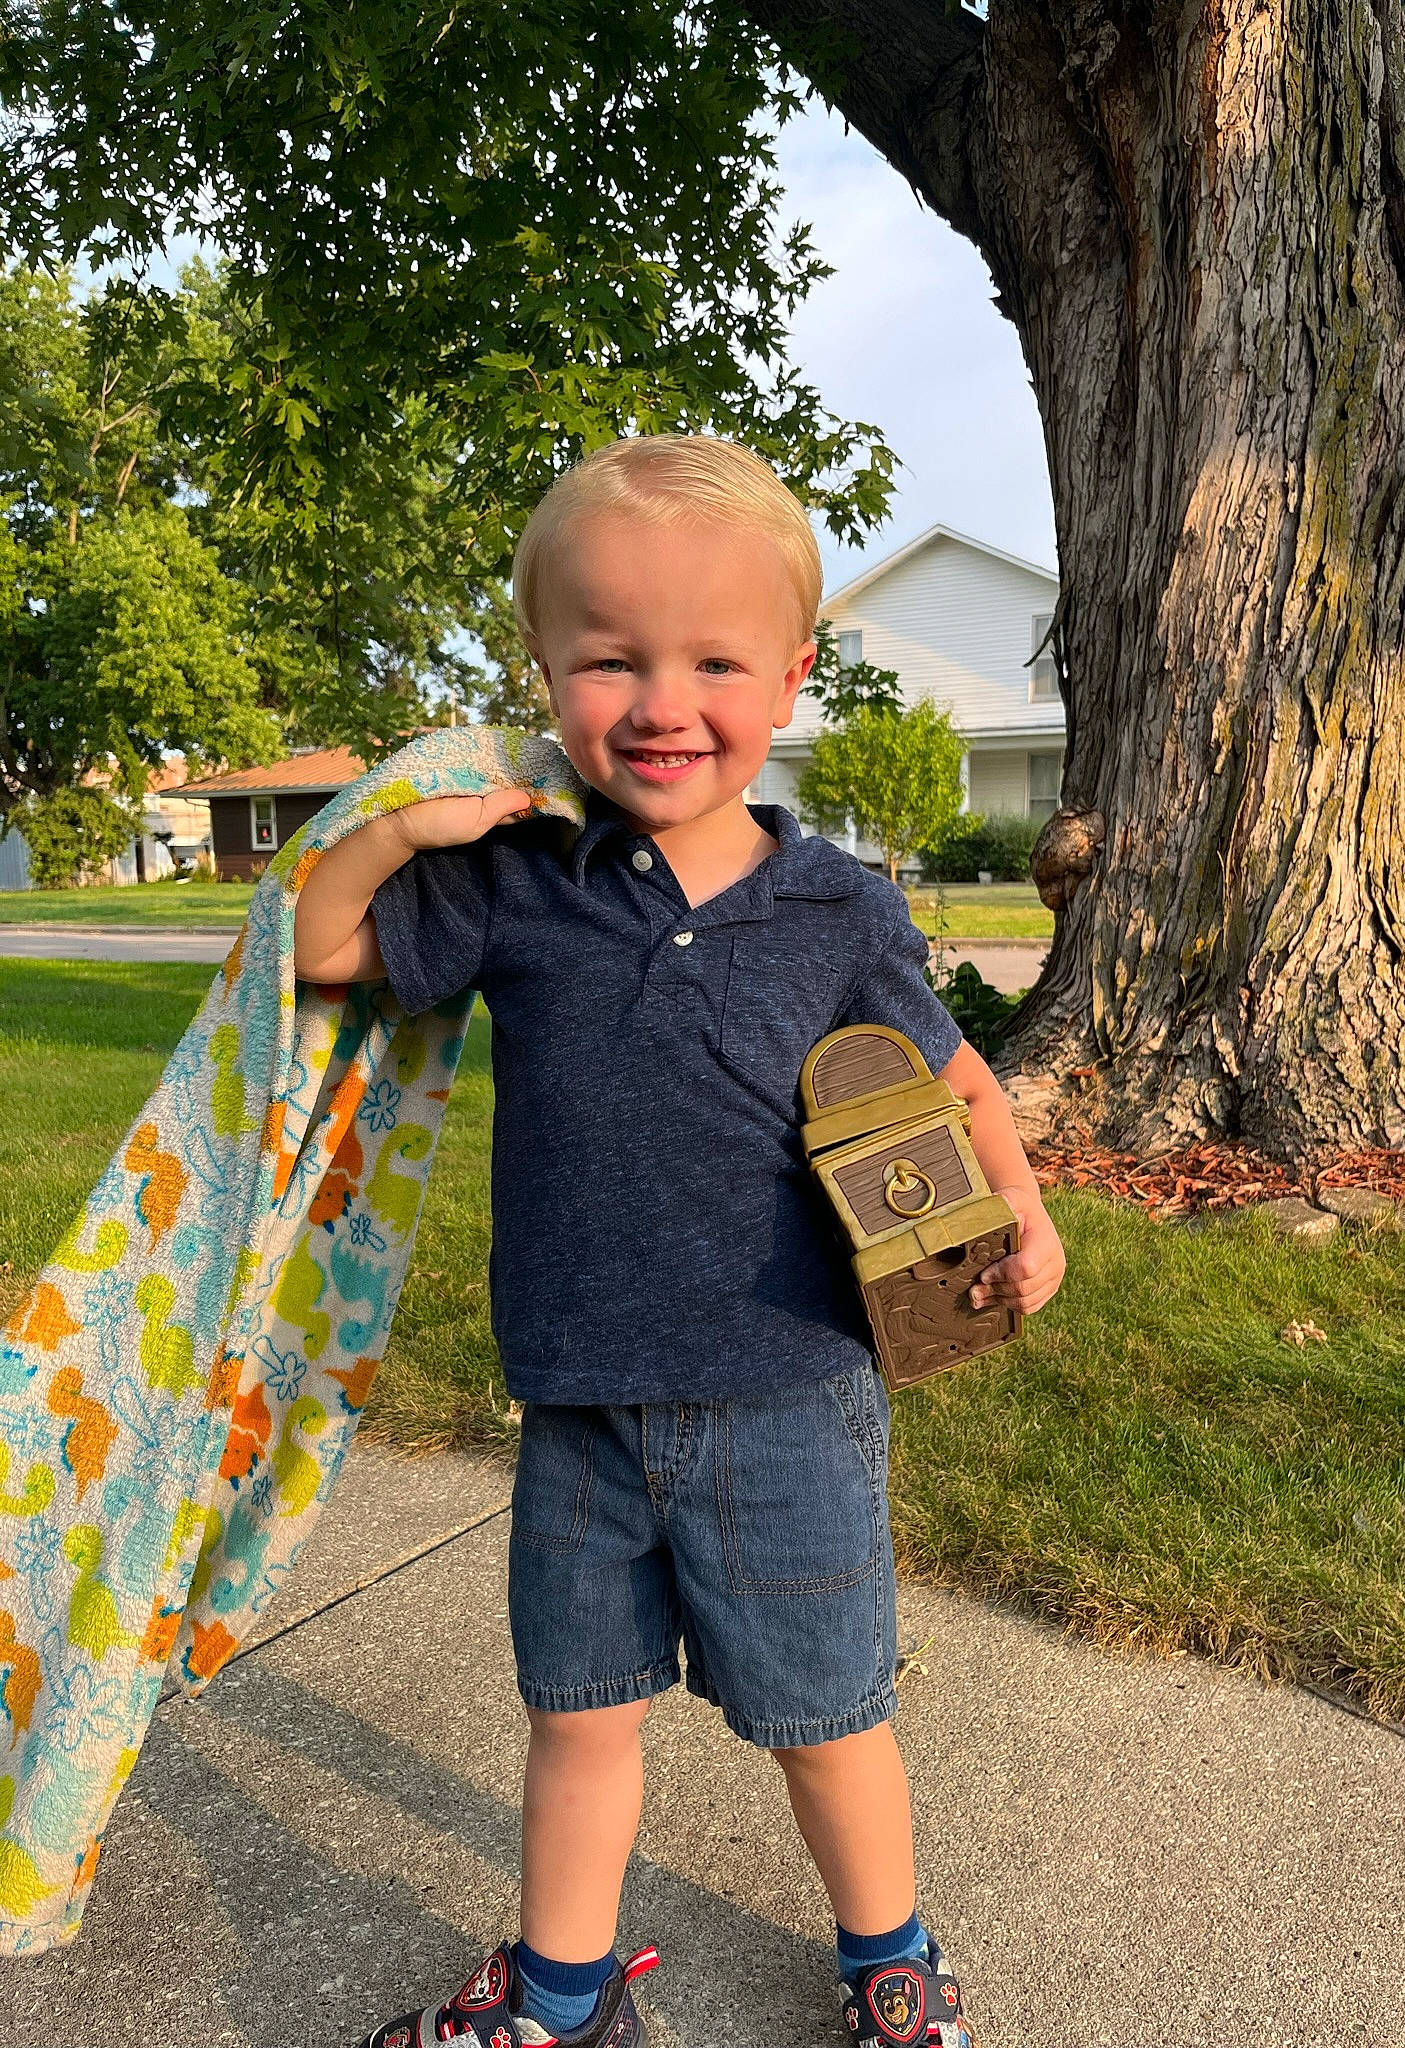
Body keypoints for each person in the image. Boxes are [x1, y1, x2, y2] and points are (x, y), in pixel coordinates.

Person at [293, 434, 1066, 2048]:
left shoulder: (839, 910)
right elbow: (325, 950)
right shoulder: (515, 878)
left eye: (714, 660)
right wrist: (400, 826)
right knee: (577, 1717)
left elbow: (958, 1075)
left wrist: (1024, 1214)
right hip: (579, 1396)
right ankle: (564, 1996)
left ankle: (892, 1967)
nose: (660, 702)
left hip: (789, 1391)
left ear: (786, 681)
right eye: (609, 659)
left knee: (827, 1718)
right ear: (547, 674)